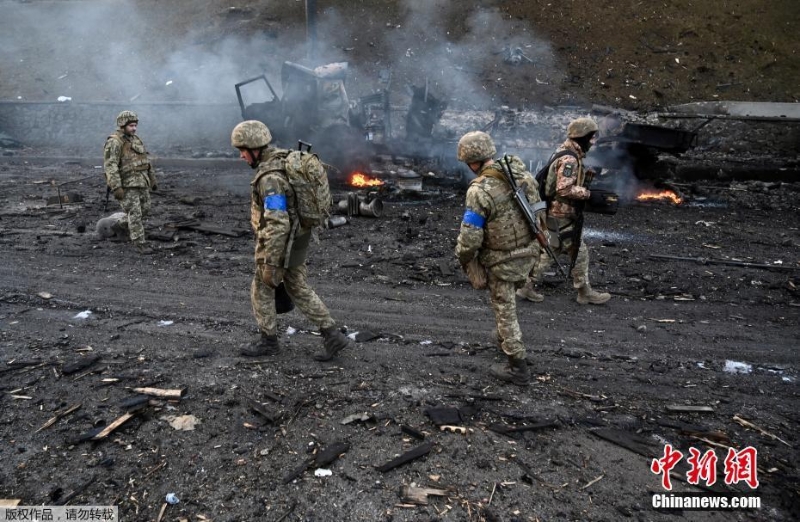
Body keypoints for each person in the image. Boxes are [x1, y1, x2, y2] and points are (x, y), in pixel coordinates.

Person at [231, 120, 353, 361]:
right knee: (297, 286)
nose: (242, 156)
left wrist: (270, 261)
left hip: (281, 243)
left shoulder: (270, 179)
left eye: (243, 151)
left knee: (262, 287)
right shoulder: (283, 159)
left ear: (255, 148)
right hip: (298, 238)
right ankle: (332, 334)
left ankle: (269, 342)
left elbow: (277, 222)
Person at [454, 130, 542, 386]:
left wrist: (463, 257)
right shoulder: (523, 176)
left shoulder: (479, 191)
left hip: (502, 261)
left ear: (473, 161)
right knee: (509, 302)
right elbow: (539, 213)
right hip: (529, 253)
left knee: (505, 310)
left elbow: (470, 237)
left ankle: (517, 366)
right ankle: (505, 340)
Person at [517, 117, 611, 305]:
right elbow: (563, 189)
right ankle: (584, 292)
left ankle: (526, 286)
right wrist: (588, 194)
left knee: (553, 249)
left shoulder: (564, 151)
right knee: (578, 251)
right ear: (582, 137)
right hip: (561, 213)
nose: (593, 143)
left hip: (554, 212)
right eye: (591, 138)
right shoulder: (570, 159)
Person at [103, 110, 157, 254]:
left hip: (142, 182)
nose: (134, 128)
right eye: (131, 125)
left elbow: (145, 160)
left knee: (145, 210)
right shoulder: (114, 142)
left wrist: (152, 179)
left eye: (135, 125)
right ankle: (140, 244)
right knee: (135, 214)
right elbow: (110, 165)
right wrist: (116, 187)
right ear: (122, 125)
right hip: (127, 185)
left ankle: (120, 226)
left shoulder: (136, 139)